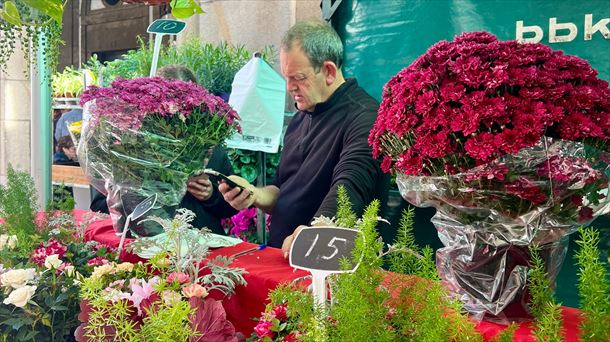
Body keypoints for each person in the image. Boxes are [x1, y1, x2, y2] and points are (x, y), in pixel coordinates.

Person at [219, 20, 388, 255]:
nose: (290, 87)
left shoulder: (365, 116)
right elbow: (283, 190)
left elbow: (350, 186)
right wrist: (253, 194)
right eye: (286, 77)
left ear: (328, 71)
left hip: (328, 264)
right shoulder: (300, 118)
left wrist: (315, 233)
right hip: (283, 257)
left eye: (298, 77)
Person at [89, 64, 237, 235]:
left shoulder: (210, 147)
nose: (180, 112)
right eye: (172, 102)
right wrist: (138, 193)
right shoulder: (129, 147)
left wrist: (211, 196)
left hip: (203, 247)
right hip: (146, 246)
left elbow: (231, 207)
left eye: (188, 104)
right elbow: (99, 206)